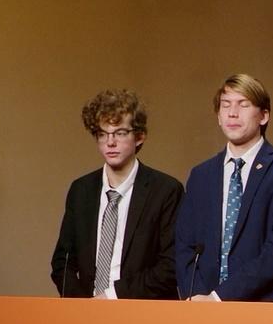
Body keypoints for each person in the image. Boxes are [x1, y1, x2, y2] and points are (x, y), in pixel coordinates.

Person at [172, 74, 273, 301]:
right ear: (218, 116)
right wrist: (198, 296)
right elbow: (185, 246)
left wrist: (219, 297)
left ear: (264, 115)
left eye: (243, 104)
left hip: (268, 308)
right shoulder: (201, 175)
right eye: (225, 105)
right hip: (202, 308)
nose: (232, 113)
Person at [50, 89, 182, 299]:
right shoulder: (81, 190)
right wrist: (82, 306)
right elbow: (62, 262)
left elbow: (170, 266)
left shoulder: (165, 190)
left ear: (139, 137)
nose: (110, 142)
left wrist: (112, 296)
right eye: (102, 134)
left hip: (143, 313)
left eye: (120, 133)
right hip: (85, 316)